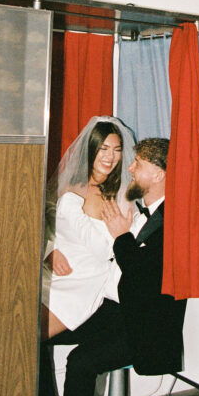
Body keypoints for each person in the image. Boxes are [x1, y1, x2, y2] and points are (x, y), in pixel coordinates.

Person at [41, 137, 187, 396]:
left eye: (138, 162)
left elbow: (142, 280)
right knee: (32, 337)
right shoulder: (139, 210)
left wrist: (121, 237)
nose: (130, 167)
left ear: (159, 172)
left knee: (80, 362)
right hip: (111, 308)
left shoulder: (174, 221)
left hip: (142, 324)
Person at [41, 116, 136, 339]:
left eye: (116, 149)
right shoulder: (68, 186)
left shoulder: (122, 196)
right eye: (103, 148)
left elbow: (116, 248)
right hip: (49, 275)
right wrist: (49, 251)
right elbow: (43, 227)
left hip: (82, 283)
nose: (110, 157)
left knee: (29, 339)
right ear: (90, 148)